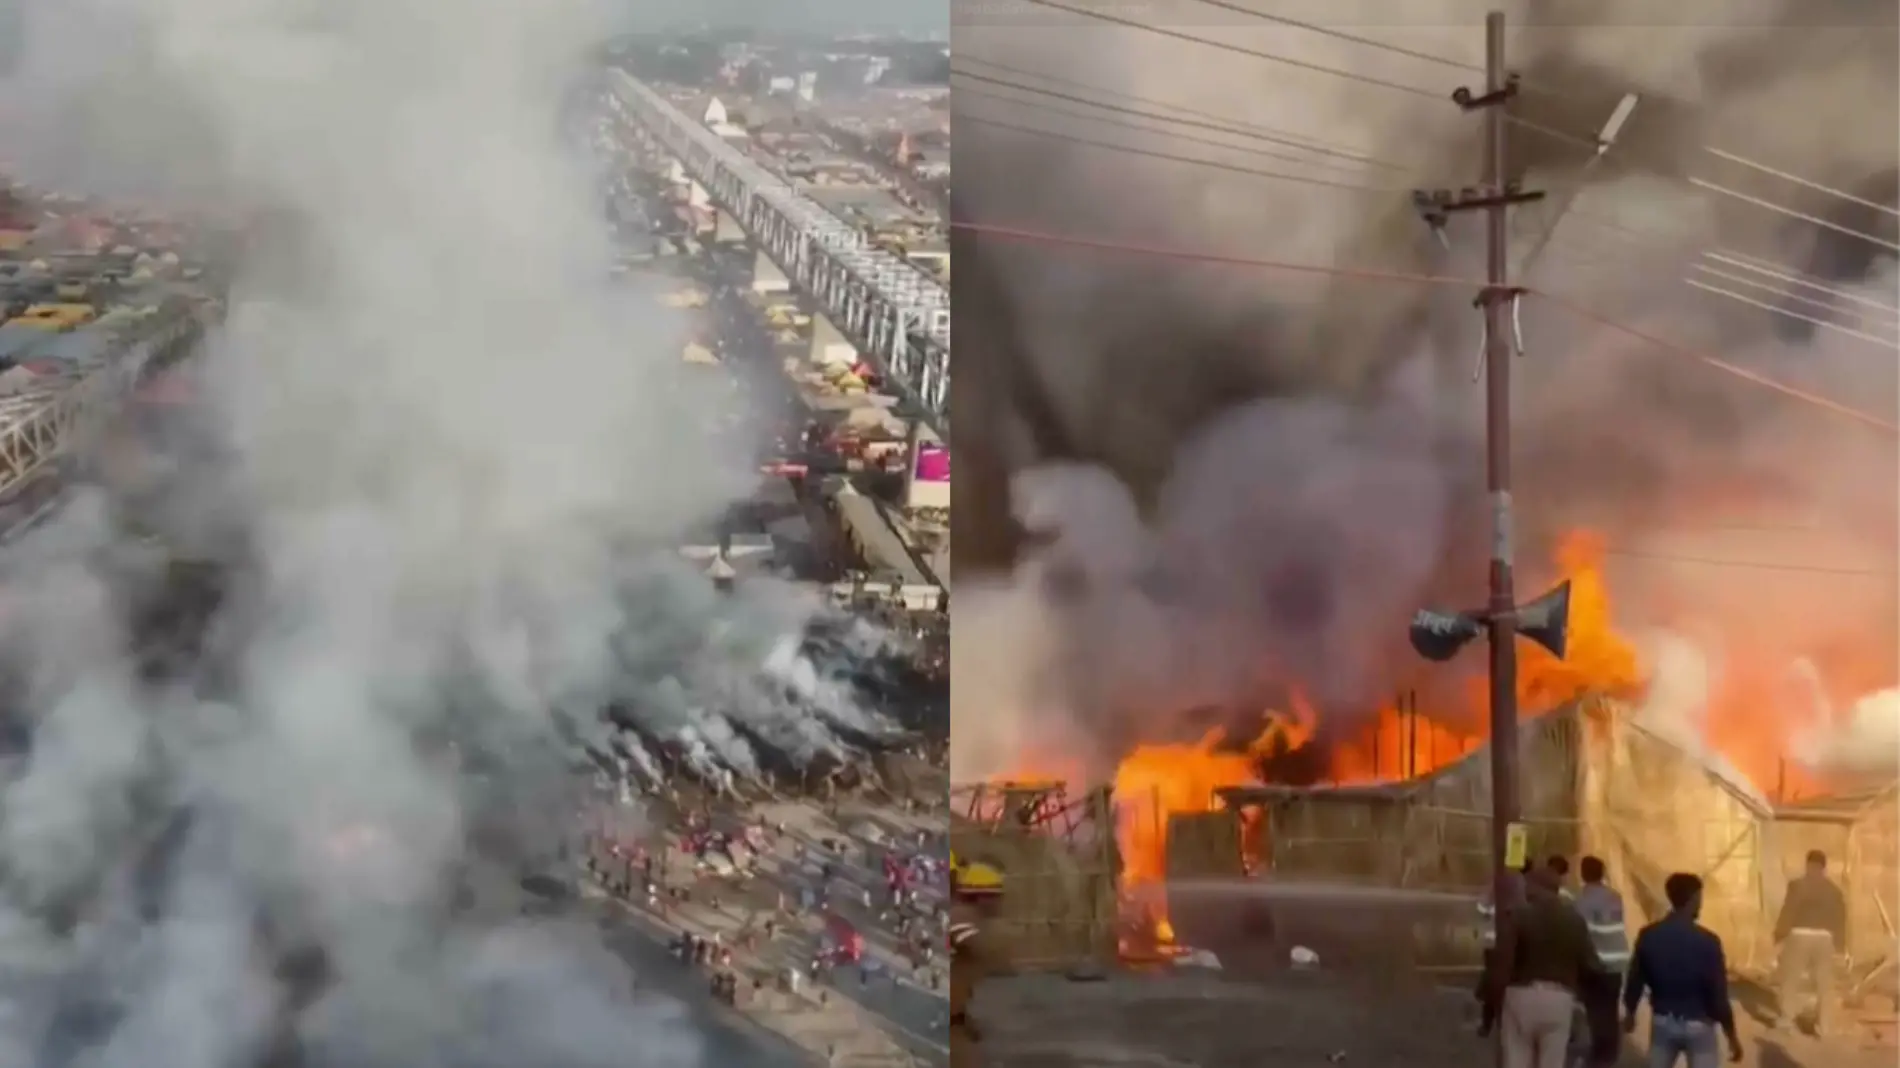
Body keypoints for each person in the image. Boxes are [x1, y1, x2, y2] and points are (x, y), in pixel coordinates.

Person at [1623, 872, 1742, 1067]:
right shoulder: (1708, 941)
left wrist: (1630, 1012)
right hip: (1700, 1025)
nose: (1701, 904)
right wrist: (1732, 1036)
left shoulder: (1649, 935)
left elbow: (1635, 979)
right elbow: (1718, 995)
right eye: (1700, 898)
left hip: (1663, 1020)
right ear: (1694, 898)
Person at [1490, 866, 1603, 1068]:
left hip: (1520, 995)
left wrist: (1492, 1003)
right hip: (1559, 998)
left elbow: (1502, 962)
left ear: (1534, 887)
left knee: (1515, 1060)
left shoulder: (1518, 916)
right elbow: (1592, 964)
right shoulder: (1574, 920)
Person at [1770, 849, 1848, 1035]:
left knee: (1790, 979)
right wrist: (1840, 945)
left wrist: (1779, 934)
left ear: (1808, 864)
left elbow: (1789, 910)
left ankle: (1787, 1020)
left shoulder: (1797, 885)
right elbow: (1840, 919)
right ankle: (1824, 1026)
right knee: (1825, 984)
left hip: (1800, 936)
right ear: (1824, 867)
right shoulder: (1834, 891)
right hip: (1825, 938)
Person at [950, 853, 1007, 1068]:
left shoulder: (963, 917)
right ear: (982, 897)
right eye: (996, 896)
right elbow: (984, 950)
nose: (1000, 902)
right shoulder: (961, 918)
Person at [1574, 856, 1631, 1067]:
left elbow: (1582, 934)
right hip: (1617, 961)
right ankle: (1610, 1053)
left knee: (1595, 1010)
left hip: (1596, 963)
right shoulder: (1615, 896)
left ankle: (1599, 1054)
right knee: (1610, 1007)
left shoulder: (1581, 899)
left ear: (1583, 873)